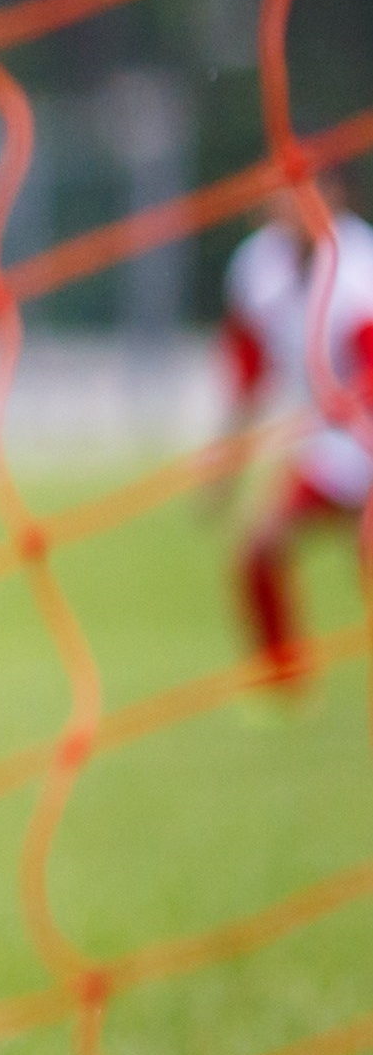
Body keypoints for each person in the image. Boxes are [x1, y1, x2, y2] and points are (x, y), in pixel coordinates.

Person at [219, 162, 372, 699]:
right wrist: (228, 457)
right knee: (258, 547)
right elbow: (248, 369)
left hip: (365, 437)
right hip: (329, 448)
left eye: (296, 187)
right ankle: (284, 685)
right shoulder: (256, 265)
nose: (280, 199)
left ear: (333, 193)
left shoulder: (361, 269)